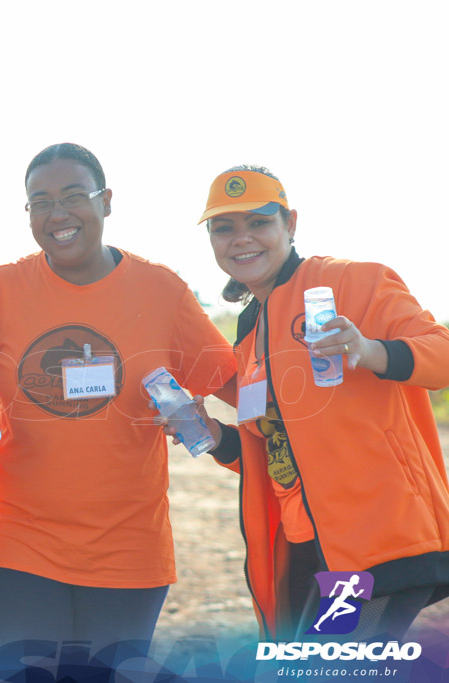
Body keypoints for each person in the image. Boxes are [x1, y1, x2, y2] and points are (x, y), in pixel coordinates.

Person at [0, 143, 237, 674]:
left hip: (129, 550)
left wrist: (319, 389)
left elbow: (240, 388)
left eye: (72, 196)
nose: (57, 214)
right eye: (39, 202)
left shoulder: (161, 292)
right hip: (21, 541)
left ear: (106, 201)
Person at [192, 164, 449, 642]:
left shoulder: (355, 282)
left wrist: (370, 351)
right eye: (224, 228)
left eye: (259, 222)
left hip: (378, 541)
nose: (241, 238)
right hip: (304, 549)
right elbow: (279, 456)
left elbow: (443, 354)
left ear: (290, 224)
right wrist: (216, 439)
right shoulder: (248, 335)